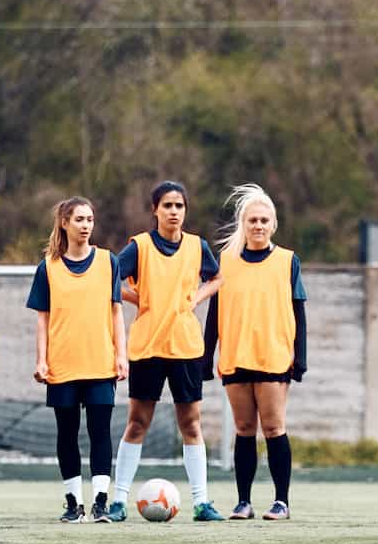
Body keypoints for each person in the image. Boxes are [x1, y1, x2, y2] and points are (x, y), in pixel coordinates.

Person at [112, 181, 224, 522]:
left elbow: (217, 278)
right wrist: (137, 298)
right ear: (155, 211)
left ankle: (202, 503)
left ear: (185, 211)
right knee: (137, 423)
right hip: (147, 345)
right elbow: (109, 277)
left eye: (179, 206)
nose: (174, 212)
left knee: (191, 423)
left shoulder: (197, 246)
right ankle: (118, 501)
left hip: (186, 347)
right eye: (168, 206)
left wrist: (197, 297)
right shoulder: (140, 246)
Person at [201, 184, 307, 520]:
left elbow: (299, 312)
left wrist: (299, 357)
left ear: (273, 224)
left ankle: (281, 502)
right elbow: (215, 312)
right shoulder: (226, 263)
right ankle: (243, 501)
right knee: (244, 428)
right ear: (242, 224)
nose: (258, 225)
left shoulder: (287, 261)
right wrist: (206, 356)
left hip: (273, 357)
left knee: (274, 428)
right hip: (235, 356)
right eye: (252, 220)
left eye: (264, 220)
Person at [26, 197, 129, 523]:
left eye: (90, 219)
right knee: (66, 434)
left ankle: (100, 503)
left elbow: (116, 312)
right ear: (64, 224)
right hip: (63, 365)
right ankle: (74, 504)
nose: (86, 225)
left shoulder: (108, 261)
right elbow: (43, 319)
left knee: (101, 432)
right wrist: (41, 360)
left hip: (100, 362)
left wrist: (121, 355)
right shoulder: (48, 268)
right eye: (79, 219)